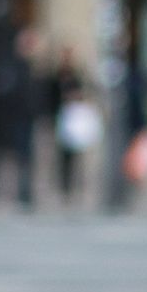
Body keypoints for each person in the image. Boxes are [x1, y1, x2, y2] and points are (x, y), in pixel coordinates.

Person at [0, 27, 40, 209]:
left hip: (26, 119)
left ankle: (24, 192)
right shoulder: (11, 65)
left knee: (26, 157)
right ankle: (16, 192)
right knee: (15, 157)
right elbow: (4, 94)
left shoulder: (30, 66)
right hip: (15, 120)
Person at [47, 47, 95, 206]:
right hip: (62, 118)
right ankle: (64, 188)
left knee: (77, 156)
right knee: (63, 157)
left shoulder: (77, 75)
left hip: (75, 120)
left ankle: (77, 187)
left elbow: (85, 92)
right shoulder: (56, 75)